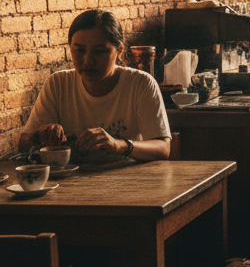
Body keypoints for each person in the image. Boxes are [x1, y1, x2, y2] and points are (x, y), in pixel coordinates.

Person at [21, 9, 171, 162]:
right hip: (71, 180)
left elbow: (163, 148)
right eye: (79, 50)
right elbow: (23, 146)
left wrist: (118, 145)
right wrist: (39, 136)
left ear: (119, 50)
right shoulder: (57, 84)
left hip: (128, 180)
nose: (87, 60)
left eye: (99, 51)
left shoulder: (140, 83)